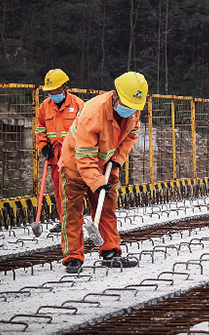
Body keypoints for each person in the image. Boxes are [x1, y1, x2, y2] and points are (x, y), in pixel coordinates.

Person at [58, 72, 147, 274]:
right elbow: (85, 156)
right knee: (72, 212)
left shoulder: (133, 110)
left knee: (106, 207)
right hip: (76, 165)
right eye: (126, 103)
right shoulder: (94, 113)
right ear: (115, 95)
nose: (129, 109)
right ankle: (73, 256)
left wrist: (117, 159)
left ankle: (110, 251)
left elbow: (131, 134)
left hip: (105, 165)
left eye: (133, 106)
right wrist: (96, 183)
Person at [35, 69, 84, 233]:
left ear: (65, 87)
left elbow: (86, 130)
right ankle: (65, 222)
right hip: (55, 158)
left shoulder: (78, 104)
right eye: (50, 91)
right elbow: (40, 129)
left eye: (55, 90)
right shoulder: (44, 106)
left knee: (73, 192)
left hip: (74, 158)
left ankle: (74, 222)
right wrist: (43, 147)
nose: (53, 94)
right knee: (59, 192)